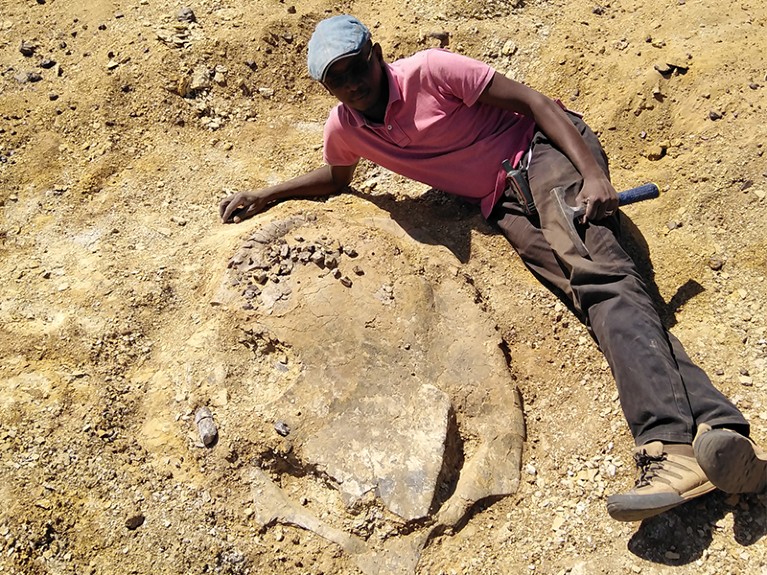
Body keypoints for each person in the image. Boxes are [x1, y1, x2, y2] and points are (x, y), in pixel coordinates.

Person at [219, 15, 767, 521]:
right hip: (503, 202)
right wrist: (265, 194)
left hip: (542, 156)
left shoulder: (433, 71)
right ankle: (716, 430)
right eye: (338, 78)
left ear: (377, 53)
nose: (355, 82)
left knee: (602, 282)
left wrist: (594, 174)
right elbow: (336, 179)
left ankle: (665, 442)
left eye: (359, 65)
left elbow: (536, 104)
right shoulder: (348, 127)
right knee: (594, 299)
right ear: (328, 88)